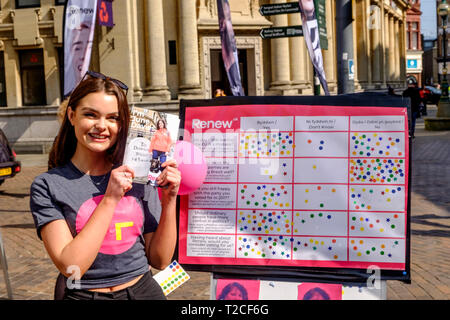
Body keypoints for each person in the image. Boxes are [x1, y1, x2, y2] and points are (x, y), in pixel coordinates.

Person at [30, 71, 181, 300]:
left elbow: (160, 260)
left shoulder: (138, 174)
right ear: (71, 115)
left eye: (113, 118)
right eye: (91, 115)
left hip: (143, 291)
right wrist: (110, 198)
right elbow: (73, 267)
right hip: (84, 294)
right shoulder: (48, 185)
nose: (102, 126)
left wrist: (169, 200)